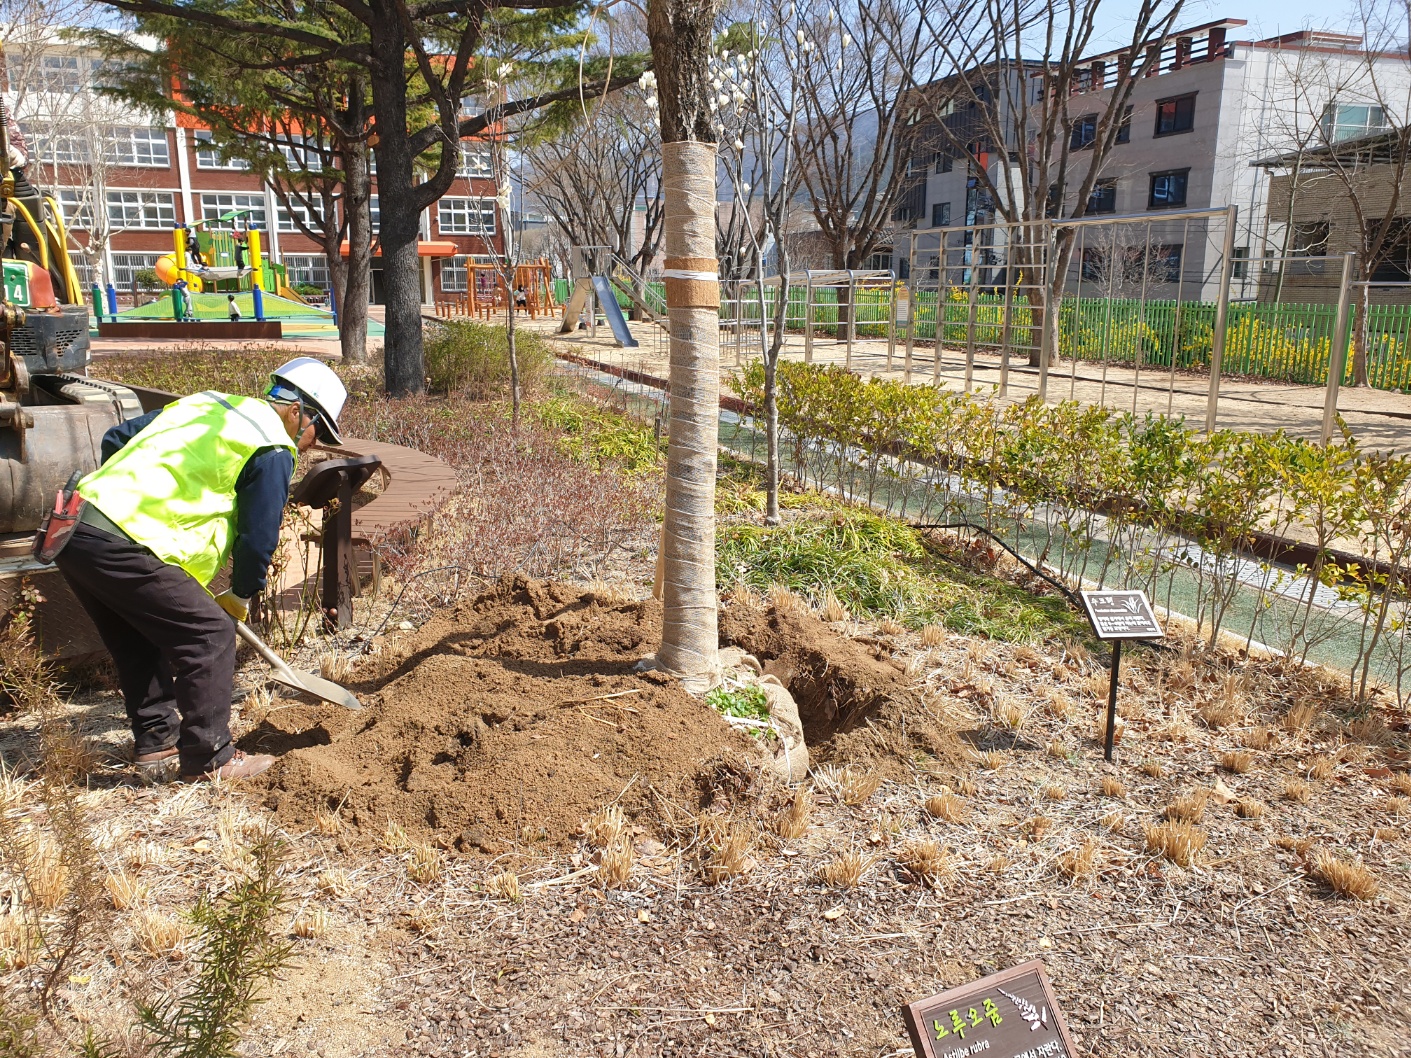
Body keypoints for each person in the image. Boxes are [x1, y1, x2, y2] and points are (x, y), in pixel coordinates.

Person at [54, 358, 347, 784]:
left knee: (138, 637)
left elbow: (116, 438)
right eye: (317, 433)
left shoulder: (206, 404)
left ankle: (157, 744)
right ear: (298, 411)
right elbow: (259, 536)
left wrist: (127, 495)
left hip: (77, 529)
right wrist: (242, 595)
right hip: (124, 541)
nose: (311, 447)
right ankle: (211, 758)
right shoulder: (272, 445)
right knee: (209, 634)